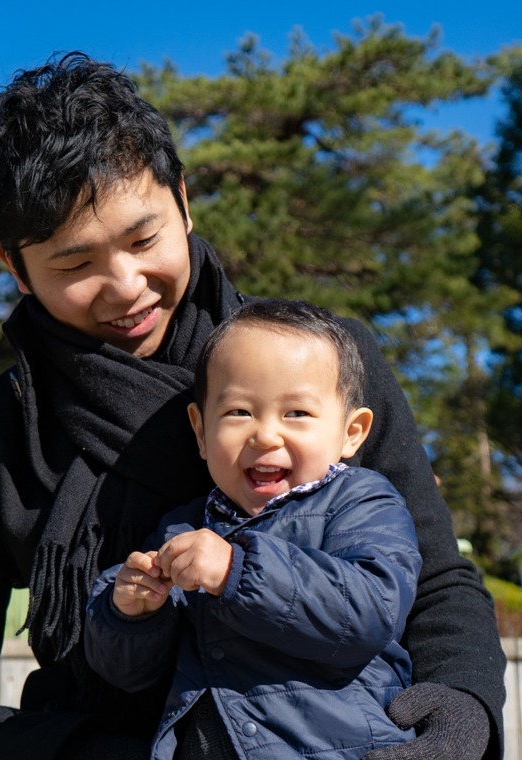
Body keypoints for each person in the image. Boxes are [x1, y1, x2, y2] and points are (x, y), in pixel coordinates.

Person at [0, 51, 506, 760]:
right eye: (75, 265)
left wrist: (460, 712)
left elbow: (435, 582)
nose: (125, 286)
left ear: (185, 201)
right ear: (12, 266)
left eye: (145, 239)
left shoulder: (320, 367)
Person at [84, 299, 422, 758]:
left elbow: (370, 609)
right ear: (200, 432)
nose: (265, 435)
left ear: (352, 432)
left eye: (297, 413)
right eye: (239, 412)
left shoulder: (361, 501)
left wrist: (238, 571)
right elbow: (128, 675)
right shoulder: (183, 527)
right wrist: (131, 613)